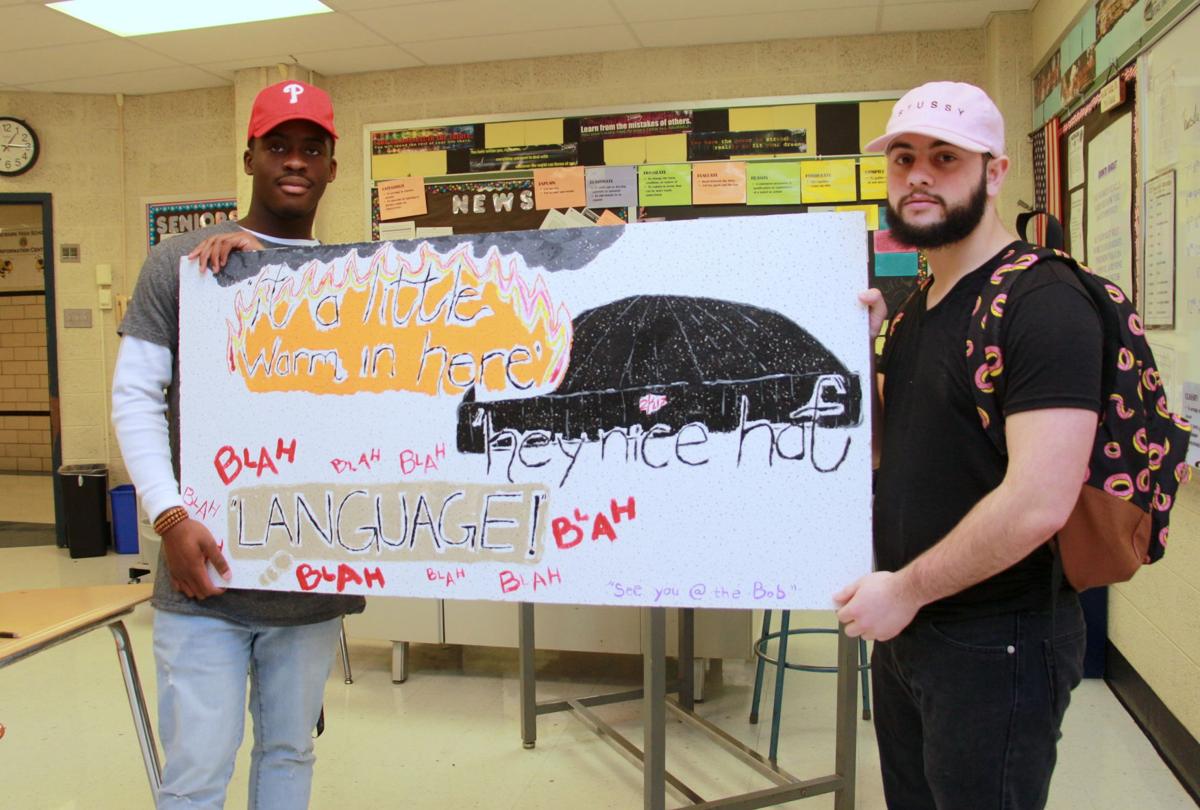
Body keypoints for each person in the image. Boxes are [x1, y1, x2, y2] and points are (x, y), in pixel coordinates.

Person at [833, 81, 1102, 809]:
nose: (918, 175)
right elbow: (890, 454)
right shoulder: (918, 309)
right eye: (903, 158)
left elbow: (1038, 502)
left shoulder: (1043, 302)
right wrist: (856, 355)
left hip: (997, 640)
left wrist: (904, 591)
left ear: (996, 171)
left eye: (945, 157)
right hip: (910, 630)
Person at [112, 79, 364, 809]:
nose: (295, 161)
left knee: (290, 751)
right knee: (196, 773)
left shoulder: (355, 276)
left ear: (332, 166)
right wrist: (169, 517)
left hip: (310, 580)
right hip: (205, 577)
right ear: (250, 157)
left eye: (311, 148)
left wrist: (273, 276)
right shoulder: (185, 264)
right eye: (277, 146)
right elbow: (134, 397)